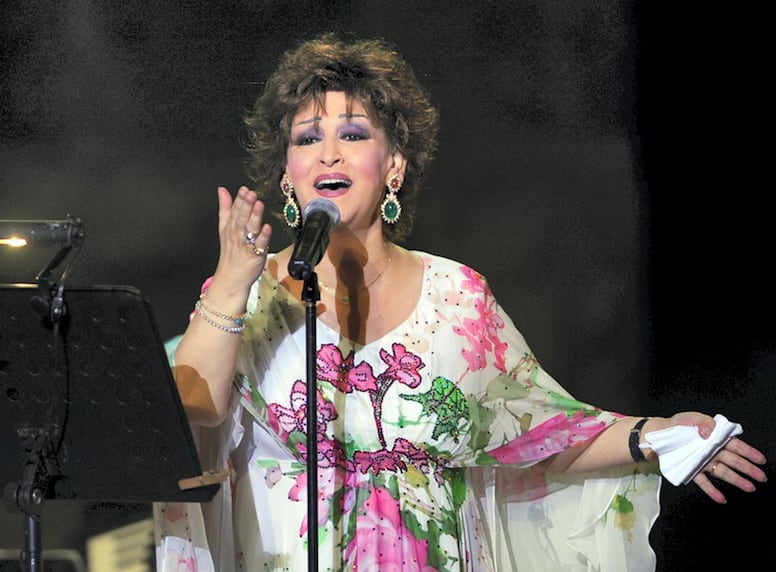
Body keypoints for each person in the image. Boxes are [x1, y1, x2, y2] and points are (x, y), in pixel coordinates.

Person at [153, 34, 767, 572]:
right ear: (288, 174)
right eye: (307, 138)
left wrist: (654, 436)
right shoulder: (249, 293)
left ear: (392, 164)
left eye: (353, 134)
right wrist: (232, 281)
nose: (328, 154)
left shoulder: (458, 300)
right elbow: (193, 409)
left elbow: (541, 432)